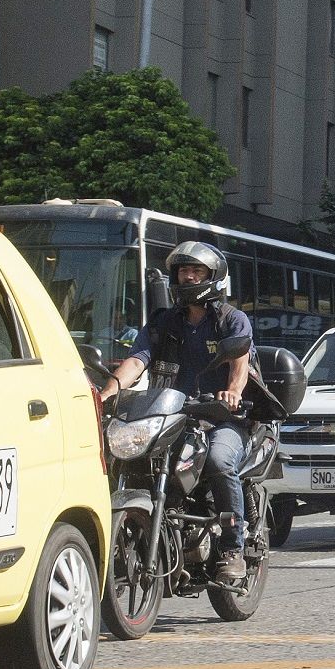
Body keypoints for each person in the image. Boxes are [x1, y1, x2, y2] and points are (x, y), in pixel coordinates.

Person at [98, 242, 254, 586]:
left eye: (196, 271)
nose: (189, 277)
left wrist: (232, 394)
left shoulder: (231, 320)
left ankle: (232, 548)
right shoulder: (163, 322)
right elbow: (138, 360)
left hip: (220, 419)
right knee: (132, 458)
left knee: (218, 461)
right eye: (184, 271)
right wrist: (108, 392)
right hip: (172, 416)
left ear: (213, 278)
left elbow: (239, 364)